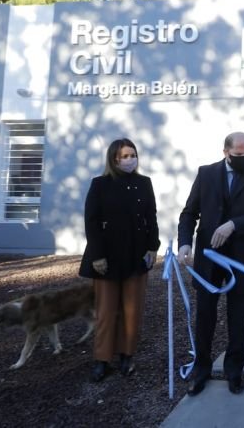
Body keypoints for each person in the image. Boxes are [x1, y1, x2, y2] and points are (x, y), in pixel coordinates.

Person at [177, 132, 244, 396]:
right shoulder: (206, 173)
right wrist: (185, 243)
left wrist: (234, 224)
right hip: (209, 257)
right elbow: (189, 213)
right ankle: (201, 370)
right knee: (205, 316)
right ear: (226, 152)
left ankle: (235, 371)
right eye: (238, 154)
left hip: (241, 256)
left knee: (238, 317)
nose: (243, 158)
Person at [80, 138, 160, 382]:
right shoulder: (100, 184)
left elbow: (151, 217)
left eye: (133, 155)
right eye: (124, 156)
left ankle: (127, 355)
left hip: (136, 256)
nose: (130, 160)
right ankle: (102, 360)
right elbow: (91, 221)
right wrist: (97, 255)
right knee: (105, 312)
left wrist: (152, 247)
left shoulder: (144, 183)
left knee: (132, 311)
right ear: (114, 159)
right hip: (107, 257)